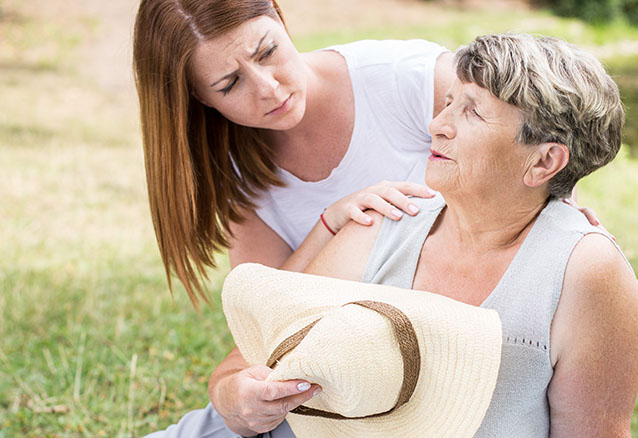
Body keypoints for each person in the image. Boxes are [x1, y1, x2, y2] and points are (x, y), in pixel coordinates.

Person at [134, 1, 601, 436]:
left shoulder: (408, 80)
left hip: (433, 369)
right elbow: (265, 323)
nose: (268, 88)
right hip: (330, 383)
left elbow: (533, 144)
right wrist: (330, 225)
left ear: (279, 16)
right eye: (230, 85)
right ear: (198, 100)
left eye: (268, 51)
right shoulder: (231, 167)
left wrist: (562, 213)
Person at [301, 34, 638, 437]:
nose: (437, 126)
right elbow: (275, 350)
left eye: (472, 112)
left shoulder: (586, 273)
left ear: (544, 161)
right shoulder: (385, 222)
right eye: (448, 102)